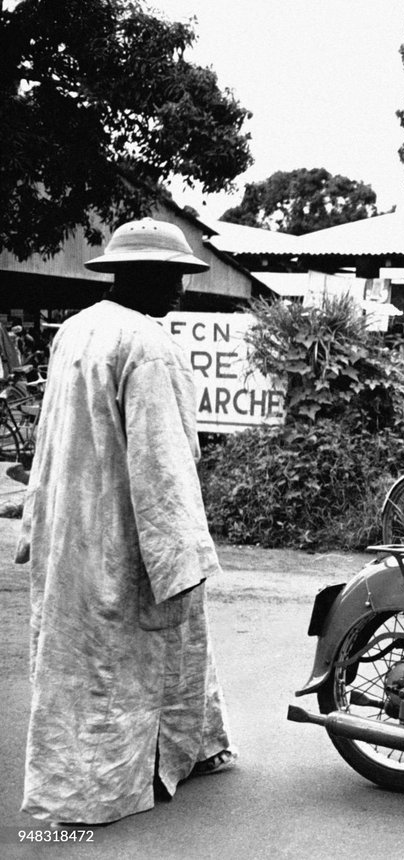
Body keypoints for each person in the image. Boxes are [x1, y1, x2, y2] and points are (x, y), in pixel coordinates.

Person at [17, 218, 235, 825]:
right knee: (128, 655)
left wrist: (37, 514)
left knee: (80, 652)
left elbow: (47, 439)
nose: (181, 291)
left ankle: (187, 749)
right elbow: (162, 462)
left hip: (74, 521)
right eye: (172, 277)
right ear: (139, 275)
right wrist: (181, 554)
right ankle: (97, 786)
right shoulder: (148, 344)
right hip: (124, 527)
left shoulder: (75, 330)